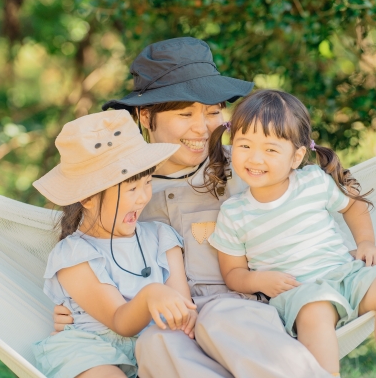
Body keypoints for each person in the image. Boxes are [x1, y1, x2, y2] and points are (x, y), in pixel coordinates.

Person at [54, 37, 333, 378]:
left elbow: (309, 214)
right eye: (186, 113)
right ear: (145, 116)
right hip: (171, 326)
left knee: (219, 319)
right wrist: (77, 313)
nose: (202, 128)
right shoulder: (120, 192)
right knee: (155, 343)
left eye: (213, 112)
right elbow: (91, 256)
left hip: (243, 316)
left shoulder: (249, 169)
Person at [206, 89, 376, 378]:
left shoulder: (314, 182)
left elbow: (353, 206)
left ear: (296, 156)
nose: (255, 158)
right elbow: (233, 273)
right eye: (244, 146)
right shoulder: (234, 212)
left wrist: (365, 241)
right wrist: (258, 280)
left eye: (270, 149)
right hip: (300, 294)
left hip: (344, 275)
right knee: (314, 312)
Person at [32, 110, 198, 378]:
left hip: (156, 345)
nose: (143, 197)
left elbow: (183, 307)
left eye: (146, 183)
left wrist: (184, 315)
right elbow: (120, 321)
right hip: (93, 351)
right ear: (87, 197)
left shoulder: (160, 237)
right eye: (131, 189)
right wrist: (151, 294)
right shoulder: (74, 255)